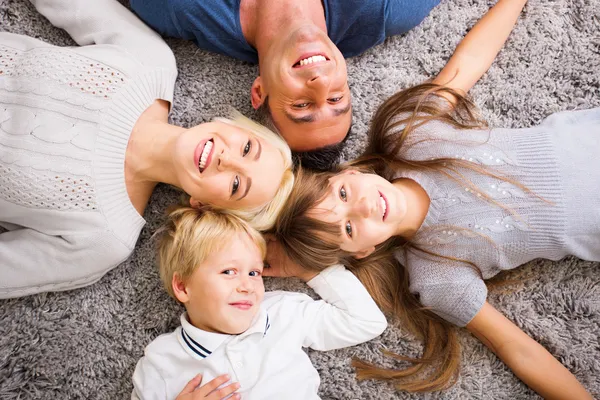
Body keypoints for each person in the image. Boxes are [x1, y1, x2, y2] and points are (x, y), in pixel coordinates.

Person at [264, 0, 597, 398]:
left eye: (344, 193)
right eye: (350, 227)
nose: (366, 206)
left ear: (350, 173)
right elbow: (517, 348)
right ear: (364, 249)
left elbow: (469, 61)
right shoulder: (437, 279)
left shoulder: (411, 136)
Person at [0, 0, 294, 299]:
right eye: (246, 147)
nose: (226, 159)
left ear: (204, 207)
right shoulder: (149, 60)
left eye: (235, 184)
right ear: (237, 127)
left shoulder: (103, 240)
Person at [129, 0, 441, 170]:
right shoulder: (386, 8)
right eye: (335, 98)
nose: (318, 84)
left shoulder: (178, 7)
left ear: (259, 92)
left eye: (302, 105)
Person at [131, 205, 388, 400]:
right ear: (183, 286)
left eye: (254, 272)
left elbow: (366, 321)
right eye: (228, 272)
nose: (247, 286)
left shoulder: (281, 313)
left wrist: (309, 268)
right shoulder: (161, 362)